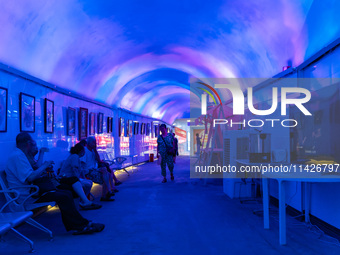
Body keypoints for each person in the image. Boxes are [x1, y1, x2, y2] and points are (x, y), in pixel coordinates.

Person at [5, 132, 104, 235]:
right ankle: (80, 225)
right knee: (64, 196)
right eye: (33, 143)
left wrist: (41, 164)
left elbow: (32, 172)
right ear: (28, 144)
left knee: (66, 193)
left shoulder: (20, 155)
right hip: (28, 196)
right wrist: (45, 165)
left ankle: (80, 223)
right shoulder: (17, 156)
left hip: (33, 191)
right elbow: (30, 177)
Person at [59, 143, 101, 210]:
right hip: (68, 178)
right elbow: (75, 168)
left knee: (89, 182)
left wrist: (82, 178)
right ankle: (84, 201)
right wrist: (78, 180)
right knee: (87, 184)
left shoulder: (75, 156)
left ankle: (83, 201)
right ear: (81, 151)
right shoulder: (75, 156)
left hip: (70, 177)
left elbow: (79, 170)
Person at [81, 136, 116, 201]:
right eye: (93, 143)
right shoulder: (85, 151)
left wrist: (95, 150)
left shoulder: (93, 151)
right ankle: (108, 192)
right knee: (105, 174)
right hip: (88, 171)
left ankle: (106, 194)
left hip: (94, 169)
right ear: (89, 143)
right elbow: (82, 164)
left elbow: (98, 160)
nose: (95, 144)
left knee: (106, 173)